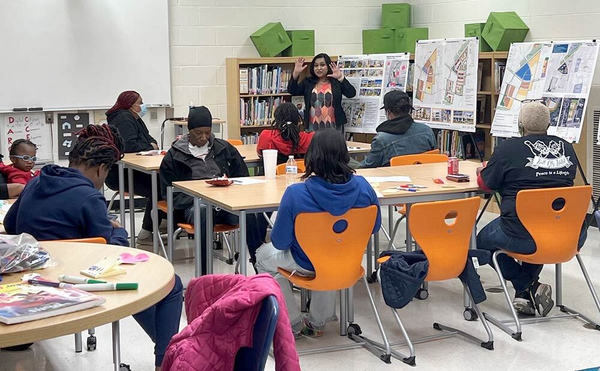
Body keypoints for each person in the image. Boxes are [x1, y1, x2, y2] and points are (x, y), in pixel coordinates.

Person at [4, 125, 183, 370]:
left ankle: (170, 350)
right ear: (101, 169)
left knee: (136, 285)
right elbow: (112, 254)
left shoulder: (37, 182)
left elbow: (10, 224)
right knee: (170, 285)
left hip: (31, 276)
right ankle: (168, 357)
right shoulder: (89, 197)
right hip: (72, 280)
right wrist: (118, 230)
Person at [255, 129, 381, 337]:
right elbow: (374, 227)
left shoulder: (296, 193)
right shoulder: (364, 186)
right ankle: (318, 322)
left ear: (311, 156)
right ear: (344, 154)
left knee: (262, 258)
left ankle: (293, 323)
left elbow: (280, 241)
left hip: (305, 261)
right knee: (332, 253)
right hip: (346, 259)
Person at [476, 102, 586, 318]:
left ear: (520, 124)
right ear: (549, 123)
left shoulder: (507, 149)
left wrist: (484, 170)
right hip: (569, 235)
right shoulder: (567, 147)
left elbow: (485, 184)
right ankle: (524, 294)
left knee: (481, 241)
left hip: (521, 235)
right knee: (543, 224)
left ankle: (526, 284)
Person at [160, 106, 267, 274]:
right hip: (194, 205)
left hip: (226, 203)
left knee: (253, 213)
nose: (204, 137)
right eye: (198, 133)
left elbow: (243, 176)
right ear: (190, 131)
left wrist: (230, 184)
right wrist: (199, 196)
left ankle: (259, 267)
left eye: (208, 133)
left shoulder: (223, 148)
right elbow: (168, 193)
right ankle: (204, 274)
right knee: (203, 211)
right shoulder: (174, 155)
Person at [104, 90, 163, 245]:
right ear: (131, 105)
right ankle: (146, 232)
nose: (142, 106)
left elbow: (148, 137)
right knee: (159, 186)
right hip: (120, 174)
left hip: (132, 170)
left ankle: (161, 224)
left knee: (163, 180)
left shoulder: (134, 118)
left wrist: (150, 144)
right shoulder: (124, 118)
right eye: (140, 103)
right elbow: (129, 146)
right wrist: (149, 145)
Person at [360, 90, 436, 168]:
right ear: (409, 110)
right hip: (423, 177)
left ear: (388, 112)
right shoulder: (427, 131)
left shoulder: (381, 139)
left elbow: (367, 166)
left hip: (392, 178)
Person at [288, 54, 356, 132]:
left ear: (328, 66)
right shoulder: (308, 82)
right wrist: (295, 74)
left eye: (322, 65)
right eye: (316, 66)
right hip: (313, 126)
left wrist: (341, 78)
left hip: (334, 126)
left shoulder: (335, 81)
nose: (319, 68)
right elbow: (292, 90)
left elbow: (351, 93)